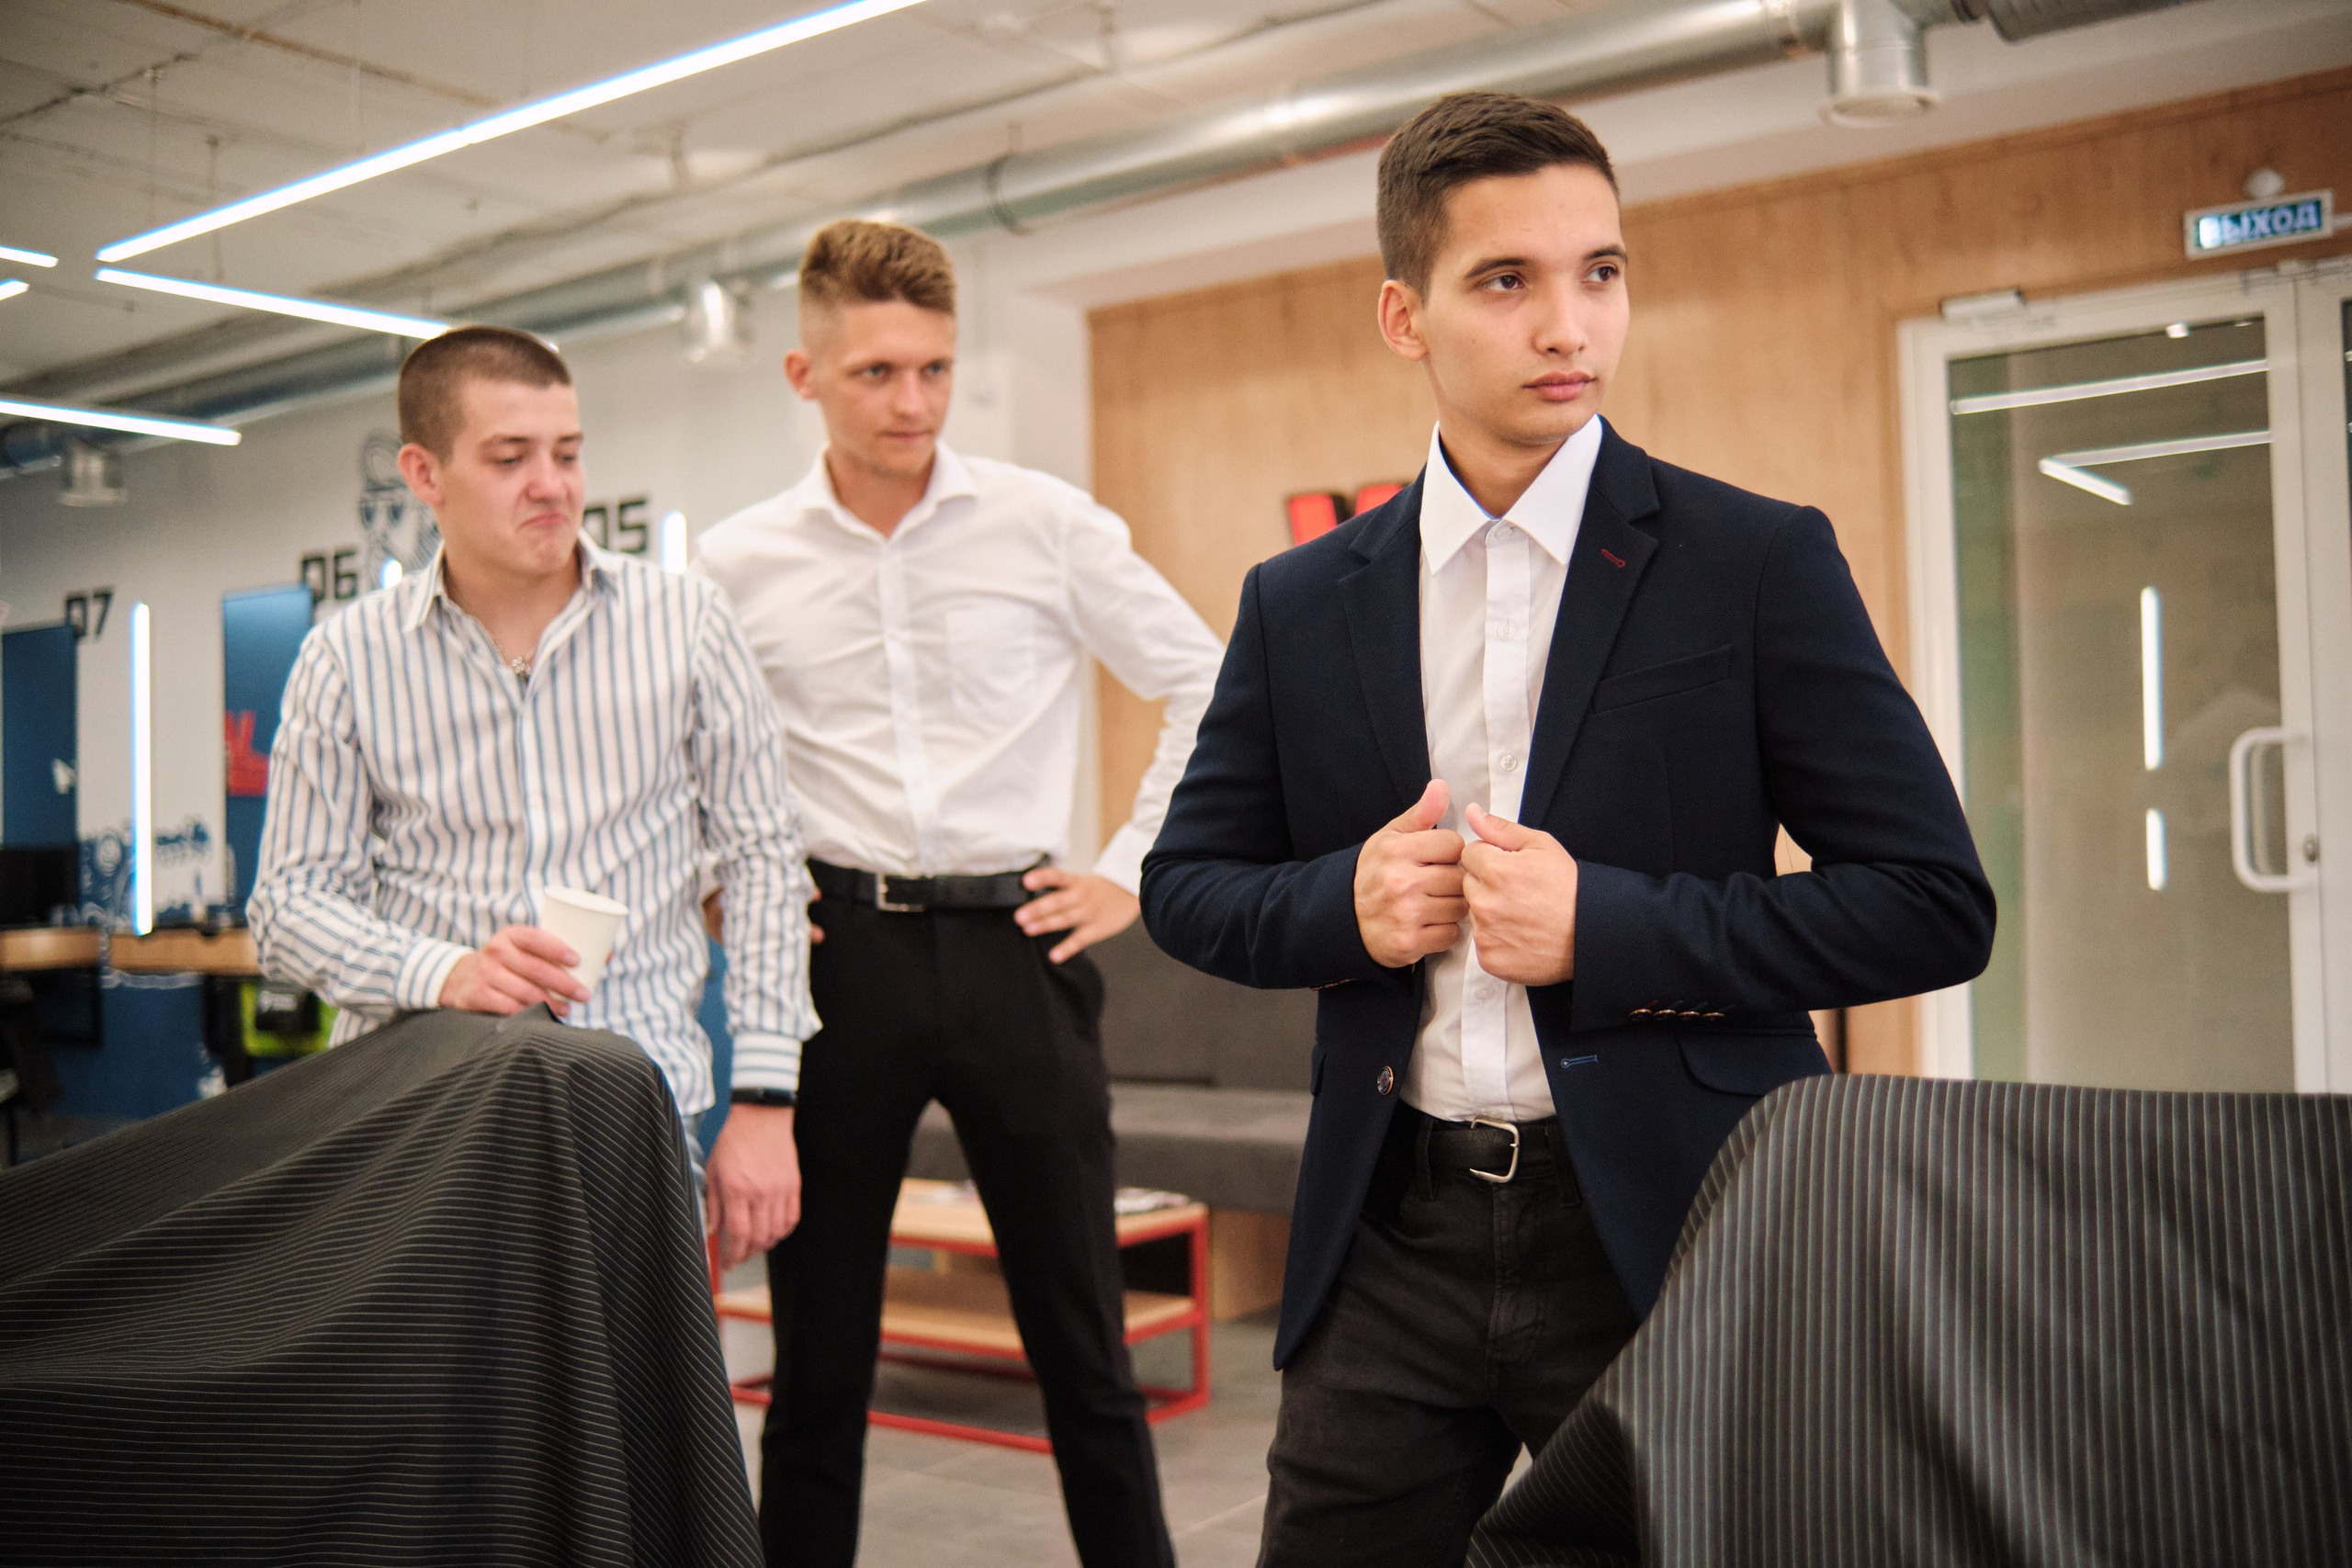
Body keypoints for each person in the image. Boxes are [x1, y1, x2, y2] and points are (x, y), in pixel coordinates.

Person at [1140, 92, 1996, 1567]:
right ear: (1405, 316)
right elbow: (1188, 887)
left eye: (1600, 271)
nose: (1570, 325)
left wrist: (1610, 925)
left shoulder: (1754, 559)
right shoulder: (1300, 598)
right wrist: (1343, 903)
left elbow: (1931, 900)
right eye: (1508, 281)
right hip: (1391, 1223)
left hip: (1674, 1221)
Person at [694, 219, 1223, 1568]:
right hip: (836, 964)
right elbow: (677, 756)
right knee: (817, 1365)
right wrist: (712, 880)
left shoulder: (1044, 523)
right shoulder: (734, 565)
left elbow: (1208, 679)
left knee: (1086, 1351)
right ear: (804, 373)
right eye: (876, 372)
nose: (912, 403)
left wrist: (1129, 872)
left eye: (933, 368)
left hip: (1020, 947)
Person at [249, 324, 817, 1271]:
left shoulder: (686, 625)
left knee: (632, 1413)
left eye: (567, 452)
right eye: (509, 458)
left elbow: (763, 860)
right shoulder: (346, 658)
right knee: (427, 1412)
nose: (550, 483)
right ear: (424, 475)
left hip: (634, 1106)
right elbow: (287, 908)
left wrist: (764, 1100)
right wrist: (444, 971)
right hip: (415, 1109)